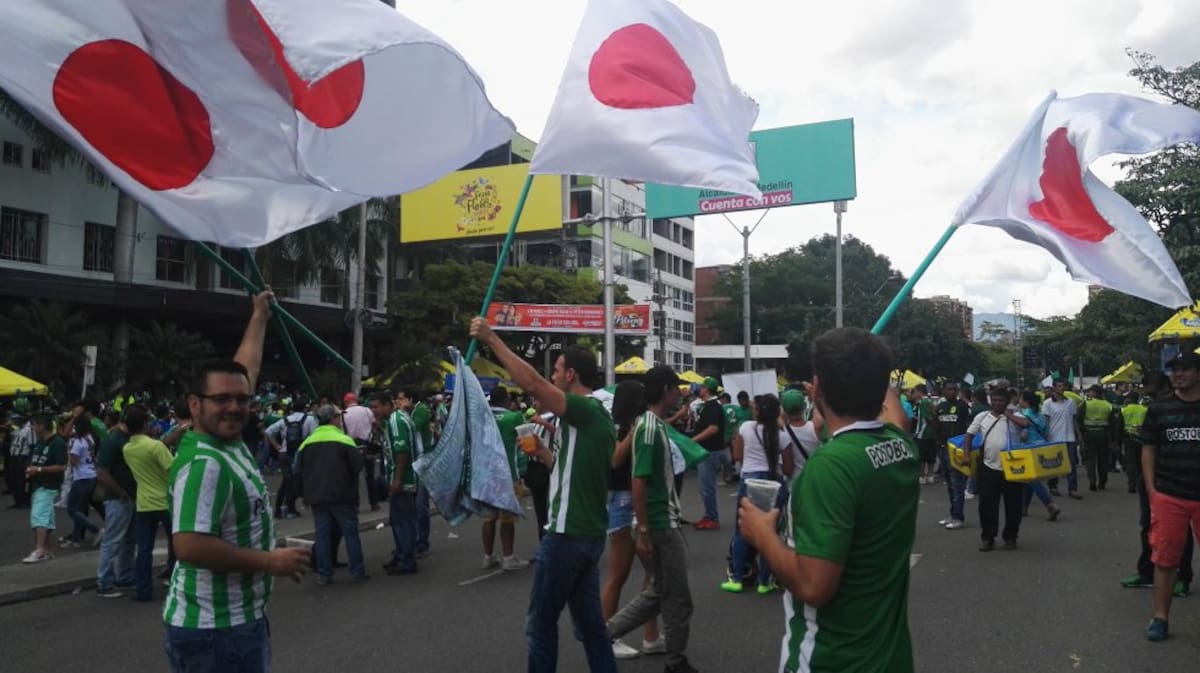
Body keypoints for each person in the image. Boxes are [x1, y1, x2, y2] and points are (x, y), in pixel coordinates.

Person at [738, 327, 917, 673]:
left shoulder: (830, 468)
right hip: (890, 658)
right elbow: (896, 416)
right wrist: (876, 375)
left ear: (817, 387)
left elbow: (813, 585)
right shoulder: (900, 445)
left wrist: (763, 536)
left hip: (830, 659)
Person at [163, 291, 310, 673]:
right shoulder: (205, 463)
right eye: (221, 400)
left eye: (242, 399)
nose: (234, 406)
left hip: (237, 623)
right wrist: (268, 560)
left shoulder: (227, 440)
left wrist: (259, 315)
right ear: (195, 405)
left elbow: (246, 369)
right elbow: (189, 545)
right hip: (216, 631)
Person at [469, 317, 617, 673]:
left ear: (571, 376)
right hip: (589, 533)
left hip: (567, 534)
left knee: (540, 623)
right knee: (591, 627)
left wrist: (492, 338)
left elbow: (533, 384)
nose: (553, 375)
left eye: (559, 369)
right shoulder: (591, 419)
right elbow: (571, 471)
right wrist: (544, 454)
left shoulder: (586, 409)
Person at [607, 366, 697, 673]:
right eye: (678, 389)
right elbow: (638, 480)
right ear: (668, 389)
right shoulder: (647, 429)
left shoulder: (654, 425)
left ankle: (605, 632)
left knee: (661, 590)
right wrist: (643, 530)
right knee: (677, 596)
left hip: (662, 520)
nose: (681, 394)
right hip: (659, 524)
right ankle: (675, 660)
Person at [1140, 351, 1200, 641]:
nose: (1178, 374)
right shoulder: (1159, 409)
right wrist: (1152, 489)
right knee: (1165, 559)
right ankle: (1160, 618)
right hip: (1169, 494)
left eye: (1185, 369)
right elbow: (1148, 448)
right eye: (1174, 369)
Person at [603, 381, 665, 660]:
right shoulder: (617, 427)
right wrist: (630, 433)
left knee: (653, 573)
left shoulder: (640, 424)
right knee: (620, 573)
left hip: (630, 500)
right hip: (623, 500)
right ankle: (607, 635)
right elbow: (615, 460)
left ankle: (650, 635)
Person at [722, 393, 794, 595]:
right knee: (769, 532)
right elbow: (788, 469)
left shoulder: (746, 428)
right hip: (774, 482)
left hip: (750, 481)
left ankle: (736, 578)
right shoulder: (783, 435)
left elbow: (737, 456)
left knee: (742, 530)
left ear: (757, 411)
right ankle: (765, 582)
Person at [295, 404, 368, 584]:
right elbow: (358, 466)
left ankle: (324, 574)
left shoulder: (307, 443)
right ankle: (357, 570)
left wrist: (304, 493)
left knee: (322, 535)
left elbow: (296, 470)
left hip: (317, 497)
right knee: (350, 533)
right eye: (338, 416)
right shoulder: (344, 440)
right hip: (342, 495)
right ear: (333, 419)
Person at [963, 386, 1030, 551]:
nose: (997, 403)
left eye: (1001, 401)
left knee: (1013, 506)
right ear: (990, 401)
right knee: (986, 505)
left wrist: (1009, 415)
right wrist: (966, 454)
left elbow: (1026, 424)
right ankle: (988, 537)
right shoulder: (982, 416)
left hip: (1012, 469)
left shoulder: (1015, 416)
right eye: (994, 400)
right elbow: (969, 435)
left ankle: (1010, 537)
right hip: (988, 467)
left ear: (1006, 402)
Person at [124, 404, 177, 602]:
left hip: (144, 502)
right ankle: (174, 582)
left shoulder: (128, 449)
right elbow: (173, 469)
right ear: (145, 424)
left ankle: (143, 589)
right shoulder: (155, 446)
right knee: (175, 545)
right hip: (166, 501)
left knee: (144, 549)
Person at [369, 392, 420, 576]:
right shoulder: (395, 420)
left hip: (404, 481)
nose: (373, 411)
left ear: (387, 405)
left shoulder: (395, 421)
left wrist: (397, 479)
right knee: (399, 519)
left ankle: (406, 559)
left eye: (376, 407)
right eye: (371, 407)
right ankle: (401, 554)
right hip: (404, 478)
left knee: (402, 521)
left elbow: (402, 450)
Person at [481, 387, 530, 571]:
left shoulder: (483, 417)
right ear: (506, 399)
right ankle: (508, 557)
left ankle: (488, 556)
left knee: (488, 518)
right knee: (507, 518)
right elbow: (528, 441)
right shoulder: (514, 417)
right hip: (509, 474)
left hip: (487, 475)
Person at [94, 412, 136, 598]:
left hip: (129, 496)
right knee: (113, 540)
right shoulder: (113, 441)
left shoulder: (128, 438)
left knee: (128, 539)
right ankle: (104, 582)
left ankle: (125, 575)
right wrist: (121, 493)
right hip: (118, 497)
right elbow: (103, 473)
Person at [22, 414, 68, 564]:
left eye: (34, 425)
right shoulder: (39, 443)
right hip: (37, 485)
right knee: (46, 519)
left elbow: (62, 466)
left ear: (42, 426)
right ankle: (47, 550)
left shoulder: (57, 443)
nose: (32, 428)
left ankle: (40, 549)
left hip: (49, 486)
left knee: (38, 516)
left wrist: (39, 469)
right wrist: (32, 470)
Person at [265, 401, 316, 519]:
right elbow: (313, 436)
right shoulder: (310, 420)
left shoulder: (285, 419)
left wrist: (277, 446)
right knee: (298, 480)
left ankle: (281, 509)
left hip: (284, 454)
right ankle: (293, 508)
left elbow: (268, 431)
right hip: (301, 454)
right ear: (305, 409)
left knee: (287, 482)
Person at [1016, 392, 1062, 522]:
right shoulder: (1041, 416)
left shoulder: (1024, 415)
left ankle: (1049, 504)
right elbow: (1047, 432)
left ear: (1026, 402)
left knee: (1032, 479)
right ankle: (1024, 508)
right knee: (1029, 479)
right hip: (1041, 448)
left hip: (1028, 449)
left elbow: (1023, 435)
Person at [401, 389, 433, 557]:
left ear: (410, 399)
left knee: (421, 504)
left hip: (422, 461)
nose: (398, 402)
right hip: (410, 461)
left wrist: (402, 412)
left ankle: (422, 541)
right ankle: (410, 541)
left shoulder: (421, 410)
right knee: (409, 505)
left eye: (401, 398)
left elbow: (411, 427)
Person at [935, 382, 971, 529]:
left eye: (954, 390)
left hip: (955, 449)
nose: (952, 392)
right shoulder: (940, 407)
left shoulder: (962, 406)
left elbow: (968, 426)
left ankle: (958, 517)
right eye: (949, 389)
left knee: (957, 483)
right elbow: (936, 424)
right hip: (942, 448)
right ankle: (952, 514)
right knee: (949, 483)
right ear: (943, 390)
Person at [692, 377, 726, 531]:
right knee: (705, 486)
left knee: (707, 487)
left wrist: (694, 440)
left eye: (702, 387)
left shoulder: (712, 405)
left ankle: (712, 517)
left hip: (710, 451)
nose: (699, 389)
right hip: (709, 450)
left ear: (706, 389)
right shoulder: (711, 405)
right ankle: (709, 515)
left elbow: (713, 428)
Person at [64, 416, 102, 546]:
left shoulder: (78, 442)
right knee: (80, 508)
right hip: (91, 474)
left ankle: (96, 530)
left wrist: (69, 452)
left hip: (81, 477)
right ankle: (76, 537)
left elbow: (73, 461)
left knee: (72, 509)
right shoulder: (90, 438)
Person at [1044, 380, 1084, 500]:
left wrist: (1079, 435)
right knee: (1054, 464)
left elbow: (1074, 420)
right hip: (1054, 437)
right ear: (1054, 388)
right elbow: (1046, 421)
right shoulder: (1048, 403)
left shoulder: (1070, 402)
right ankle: (1053, 486)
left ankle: (1072, 488)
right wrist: (1045, 436)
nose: (1062, 388)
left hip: (1069, 437)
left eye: (1064, 386)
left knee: (1071, 464)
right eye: (1059, 386)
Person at [341, 392, 379, 512]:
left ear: (346, 402)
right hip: (367, 445)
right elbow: (374, 424)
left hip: (352, 447)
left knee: (353, 477)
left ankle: (355, 505)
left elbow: (342, 431)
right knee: (370, 476)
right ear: (356, 400)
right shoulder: (366, 410)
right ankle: (374, 503)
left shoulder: (343, 414)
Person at [1080, 384, 1116, 491]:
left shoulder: (1086, 404)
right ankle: (1102, 482)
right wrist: (1113, 439)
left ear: (1094, 393)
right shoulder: (1108, 405)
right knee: (1103, 459)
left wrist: (1081, 433)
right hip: (1103, 434)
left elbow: (1079, 418)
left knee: (1090, 458)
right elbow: (1113, 423)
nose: (1088, 393)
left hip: (1089, 433)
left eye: (1090, 391)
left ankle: (1092, 480)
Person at [1121, 392, 1149, 494]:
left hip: (1129, 438)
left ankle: (1132, 485)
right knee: (1141, 462)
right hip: (1142, 439)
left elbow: (1120, 425)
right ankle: (1142, 484)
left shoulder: (1124, 410)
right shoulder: (1145, 409)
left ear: (1129, 399)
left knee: (1131, 463)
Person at [909, 385, 938, 485]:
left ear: (920, 392)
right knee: (931, 456)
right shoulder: (929, 401)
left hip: (923, 433)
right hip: (932, 433)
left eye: (915, 391)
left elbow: (927, 418)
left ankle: (922, 476)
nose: (914, 394)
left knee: (921, 456)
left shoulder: (923, 403)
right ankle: (930, 475)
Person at [6, 412, 33, 509]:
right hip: (14, 457)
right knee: (14, 480)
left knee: (20, 481)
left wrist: (29, 461)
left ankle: (22, 501)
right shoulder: (17, 430)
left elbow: (31, 445)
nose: (15, 422)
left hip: (22, 458)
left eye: (17, 420)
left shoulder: (28, 430)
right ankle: (17, 501)